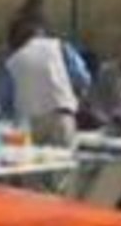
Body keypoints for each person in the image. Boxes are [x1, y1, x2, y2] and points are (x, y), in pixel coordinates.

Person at [6, 10, 79, 148]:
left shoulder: (12, 62)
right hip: (61, 115)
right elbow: (82, 77)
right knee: (65, 164)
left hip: (32, 123)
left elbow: (5, 100)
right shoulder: (60, 46)